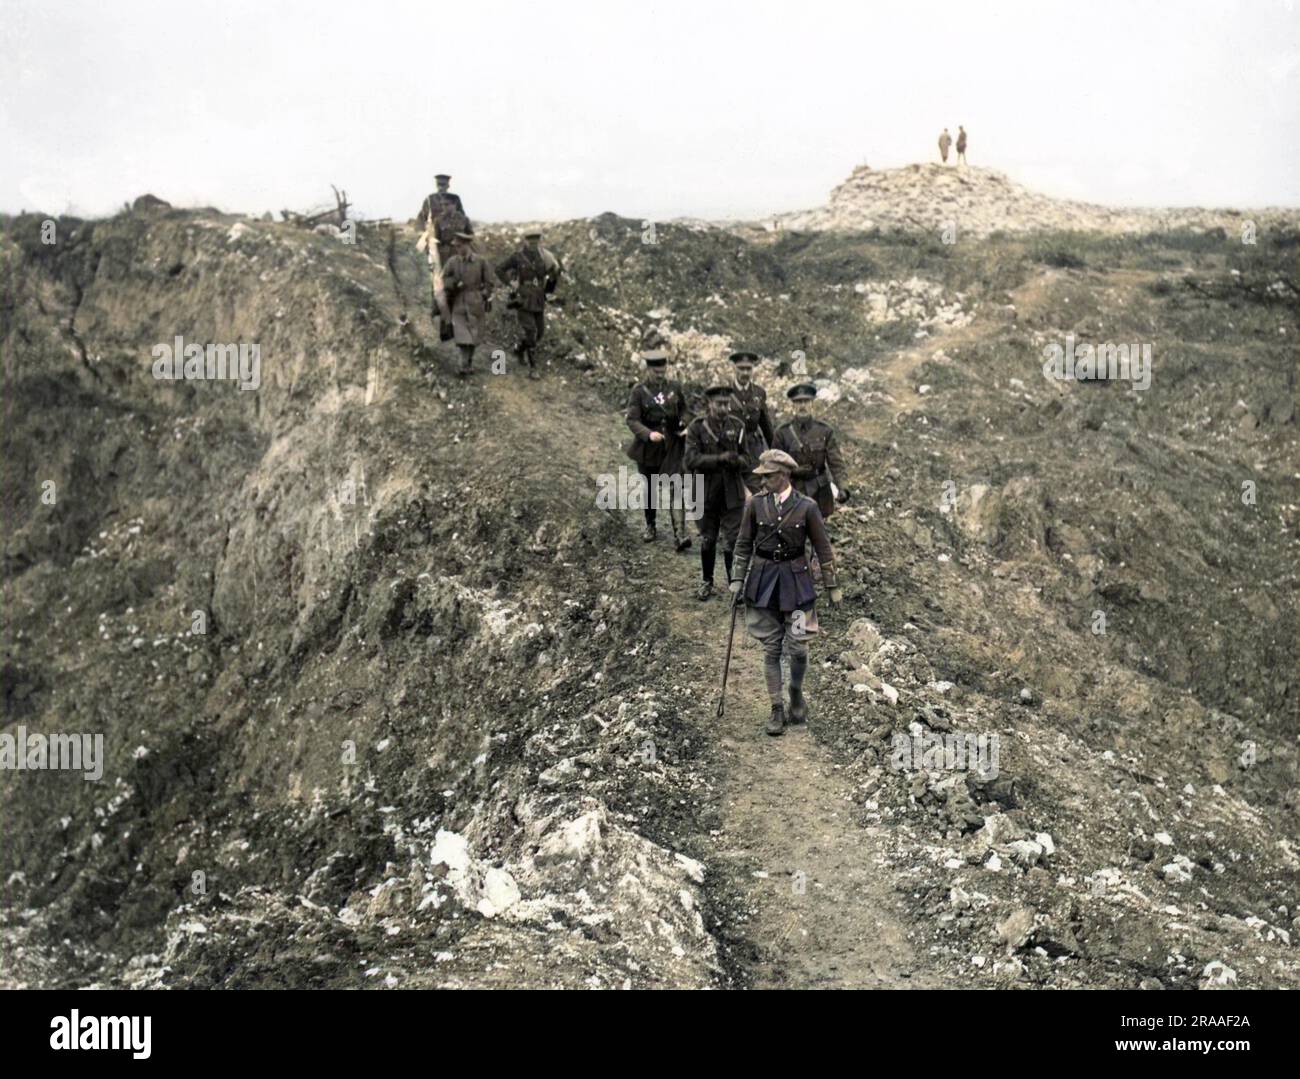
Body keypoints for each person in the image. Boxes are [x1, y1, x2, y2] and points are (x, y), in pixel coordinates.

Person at [729, 449, 842, 736]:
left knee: (799, 648)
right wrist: (736, 580)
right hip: (764, 585)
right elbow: (743, 544)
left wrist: (832, 585)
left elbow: (823, 547)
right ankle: (776, 708)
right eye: (762, 476)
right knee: (771, 648)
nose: (763, 481)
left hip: (797, 587)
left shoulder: (807, 507)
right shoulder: (755, 504)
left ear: (784, 475)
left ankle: (795, 690)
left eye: (768, 476)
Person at [684, 386, 749, 601]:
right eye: (719, 403)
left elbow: (747, 459)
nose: (723, 408)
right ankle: (707, 581)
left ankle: (734, 587)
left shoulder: (738, 426)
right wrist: (719, 459)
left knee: (732, 540)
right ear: (709, 404)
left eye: (726, 403)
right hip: (705, 492)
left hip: (732, 493)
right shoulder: (697, 428)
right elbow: (690, 460)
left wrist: (736, 460)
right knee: (708, 539)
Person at [625, 350, 692, 549]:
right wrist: (647, 434)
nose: (660, 375)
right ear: (648, 370)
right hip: (648, 448)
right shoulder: (639, 391)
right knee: (650, 488)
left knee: (676, 487)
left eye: (663, 372)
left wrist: (685, 424)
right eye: (656, 372)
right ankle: (650, 525)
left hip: (671, 445)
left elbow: (685, 410)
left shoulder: (674, 387)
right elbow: (632, 419)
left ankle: (680, 534)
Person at [772, 383, 851, 518]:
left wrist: (843, 487)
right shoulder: (782, 433)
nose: (802, 405)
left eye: (806, 401)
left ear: (812, 404)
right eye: (798, 402)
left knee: (819, 534)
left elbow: (836, 463)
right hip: (793, 490)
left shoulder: (824, 430)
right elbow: (775, 467)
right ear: (793, 405)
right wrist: (793, 471)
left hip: (820, 492)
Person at [496, 231, 562, 380]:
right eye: (530, 240)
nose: (533, 243)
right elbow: (499, 269)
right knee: (531, 332)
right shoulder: (517, 257)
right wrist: (510, 283)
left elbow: (552, 274)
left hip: (538, 298)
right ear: (525, 241)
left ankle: (519, 349)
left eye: (536, 241)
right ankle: (533, 368)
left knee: (540, 333)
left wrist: (552, 282)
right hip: (523, 298)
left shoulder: (543, 256)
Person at [440, 232, 496, 377]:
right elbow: (443, 278)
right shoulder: (452, 262)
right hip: (458, 302)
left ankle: (468, 363)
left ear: (467, 245)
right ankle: (463, 365)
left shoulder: (481, 262)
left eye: (460, 246)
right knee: (462, 335)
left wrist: (484, 295)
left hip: (475, 302)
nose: (457, 249)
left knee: (473, 336)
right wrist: (453, 284)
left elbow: (490, 282)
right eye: (456, 246)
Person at [727, 351, 775, 494]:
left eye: (748, 369)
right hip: (730, 448)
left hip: (753, 451)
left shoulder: (759, 393)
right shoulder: (725, 393)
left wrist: (776, 451)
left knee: (756, 491)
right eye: (741, 368)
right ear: (734, 368)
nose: (745, 372)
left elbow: (766, 426)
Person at [416, 173, 470, 267]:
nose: (441, 187)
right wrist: (422, 232)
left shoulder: (455, 198)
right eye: (439, 185)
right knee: (421, 254)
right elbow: (421, 217)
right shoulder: (430, 199)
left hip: (452, 232)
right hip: (434, 232)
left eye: (443, 185)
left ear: (448, 185)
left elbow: (462, 215)